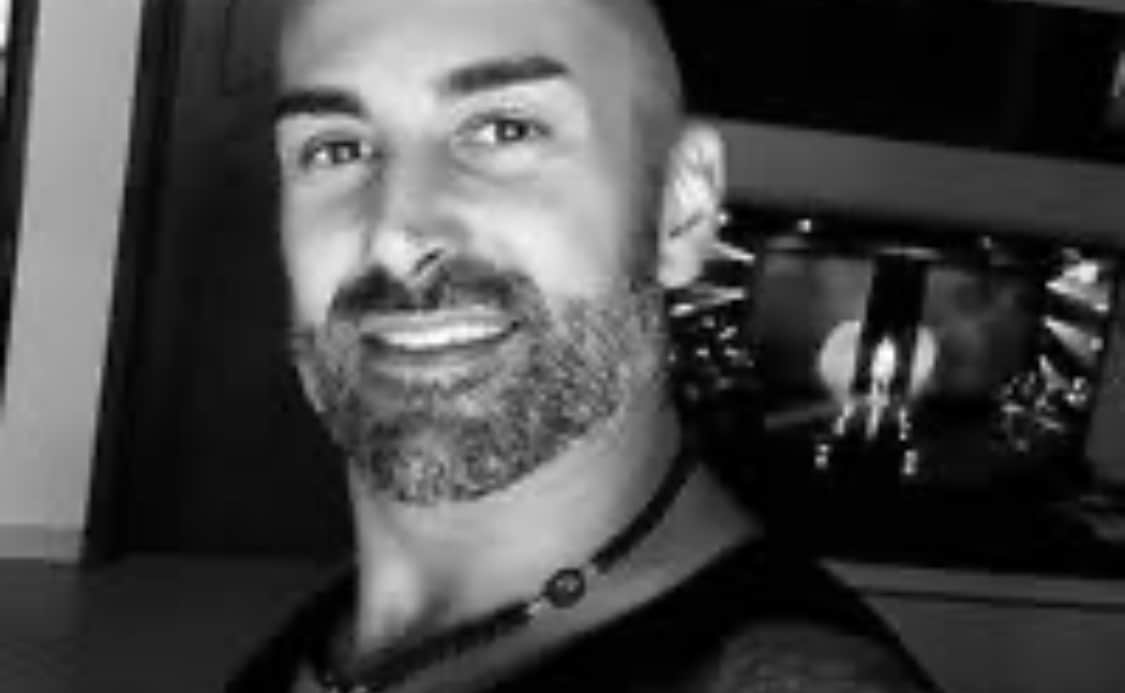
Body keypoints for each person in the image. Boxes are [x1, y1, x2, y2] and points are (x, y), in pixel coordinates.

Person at [229, 0, 941, 690]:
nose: (396, 234)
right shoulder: (339, 629)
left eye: (504, 129)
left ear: (681, 209)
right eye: (336, 149)